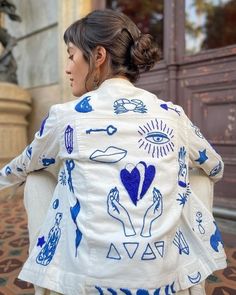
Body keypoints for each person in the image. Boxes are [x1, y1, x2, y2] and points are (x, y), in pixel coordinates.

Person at [0, 9, 226, 295]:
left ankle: (48, 283)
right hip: (163, 280)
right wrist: (174, 177)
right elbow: (215, 168)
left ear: (98, 56)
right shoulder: (172, 114)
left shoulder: (65, 116)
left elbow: (21, 166)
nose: (68, 68)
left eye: (71, 56)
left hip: (84, 282)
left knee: (37, 177)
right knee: (199, 178)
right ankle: (193, 279)